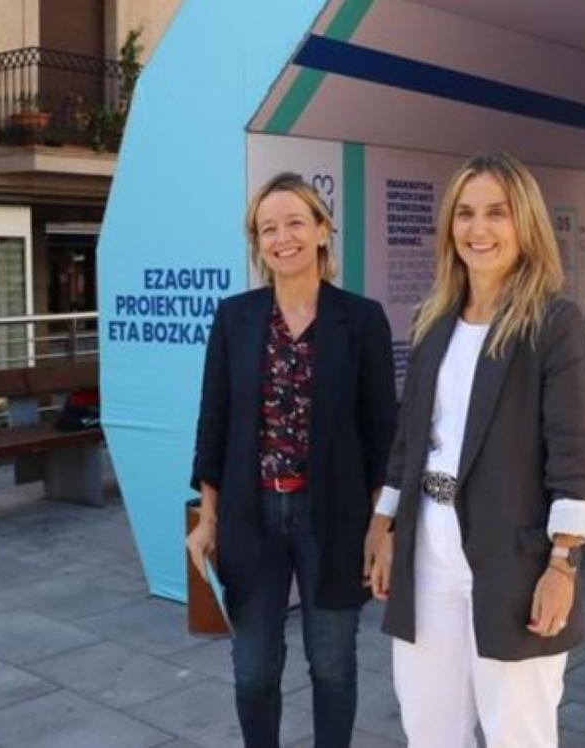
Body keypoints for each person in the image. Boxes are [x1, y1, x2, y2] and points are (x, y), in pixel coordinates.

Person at [364, 151, 585, 748]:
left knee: (517, 733)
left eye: (497, 212)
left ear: (525, 223)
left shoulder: (554, 323)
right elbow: (408, 439)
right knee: (429, 730)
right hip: (428, 556)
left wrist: (563, 565)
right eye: (465, 213)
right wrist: (384, 525)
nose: (479, 228)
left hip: (513, 562)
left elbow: (574, 456)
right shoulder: (432, 320)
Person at [187, 172, 397, 748]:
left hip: (334, 518)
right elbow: (213, 423)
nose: (283, 238)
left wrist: (380, 529)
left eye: (296, 223)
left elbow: (382, 436)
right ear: (257, 243)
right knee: (254, 669)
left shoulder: (361, 319)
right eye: (268, 229)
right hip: (251, 515)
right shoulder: (235, 318)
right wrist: (207, 518)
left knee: (332, 666)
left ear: (323, 231)